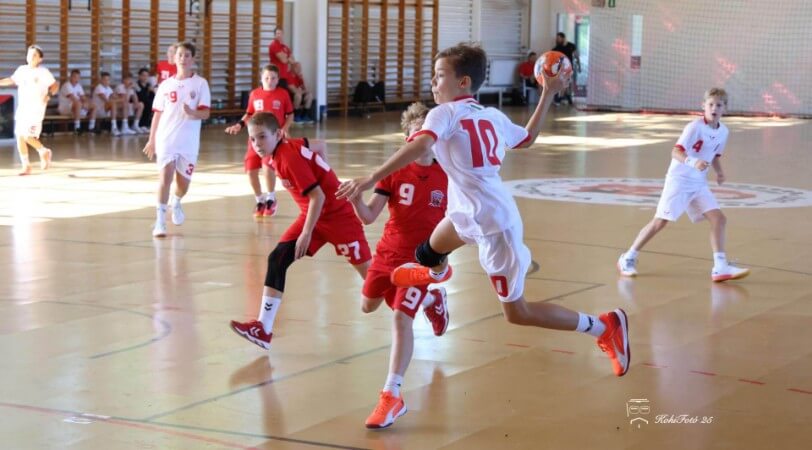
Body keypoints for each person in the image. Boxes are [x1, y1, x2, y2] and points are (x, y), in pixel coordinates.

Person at [336, 43, 630, 385]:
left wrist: (371, 177)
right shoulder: (491, 115)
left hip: (494, 224)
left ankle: (603, 326)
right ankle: (436, 286)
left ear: (463, 82)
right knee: (427, 252)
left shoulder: (443, 113)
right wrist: (548, 93)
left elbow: (421, 144)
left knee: (517, 313)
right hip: (464, 214)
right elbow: (527, 138)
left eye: (440, 75)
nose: (433, 82)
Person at [229, 112, 371, 350]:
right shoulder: (285, 147)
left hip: (338, 218)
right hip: (314, 215)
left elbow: (318, 196)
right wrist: (326, 173)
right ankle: (263, 328)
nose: (257, 144)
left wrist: (306, 232)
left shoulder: (287, 158)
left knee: (372, 280)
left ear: (278, 134)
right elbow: (320, 145)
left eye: (262, 137)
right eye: (252, 139)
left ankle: (427, 300)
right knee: (277, 259)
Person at [349, 102, 450, 429]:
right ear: (407, 139)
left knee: (401, 319)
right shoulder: (393, 171)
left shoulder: (448, 174)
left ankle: (392, 394)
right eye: (415, 134)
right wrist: (355, 198)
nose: (421, 139)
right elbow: (368, 217)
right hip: (387, 256)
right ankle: (433, 300)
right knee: (367, 306)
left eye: (427, 133)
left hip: (421, 260)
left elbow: (456, 224)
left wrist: (442, 256)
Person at [617, 88, 750, 282]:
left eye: (718, 105)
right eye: (710, 104)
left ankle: (720, 267)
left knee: (719, 219)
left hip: (699, 183)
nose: (714, 108)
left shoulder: (723, 131)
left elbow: (714, 155)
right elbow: (675, 152)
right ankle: (628, 257)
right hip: (679, 180)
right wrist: (693, 162)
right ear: (703, 106)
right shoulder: (694, 127)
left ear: (725, 108)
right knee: (661, 221)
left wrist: (719, 172)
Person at [142, 42, 211, 238]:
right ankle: (160, 221)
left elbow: (205, 113)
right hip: (166, 139)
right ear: (174, 58)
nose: (183, 58)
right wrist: (152, 140)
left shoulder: (200, 83)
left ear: (193, 59)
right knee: (165, 177)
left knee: (183, 185)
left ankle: (177, 200)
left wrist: (192, 112)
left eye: (187, 55)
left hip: (188, 142)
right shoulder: (165, 85)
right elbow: (157, 114)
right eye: (180, 55)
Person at [224, 64, 293, 220]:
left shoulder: (282, 94)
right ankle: (259, 200)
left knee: (267, 166)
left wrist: (285, 128)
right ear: (261, 78)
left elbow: (290, 114)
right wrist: (239, 125)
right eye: (267, 77)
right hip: (255, 138)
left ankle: (271, 198)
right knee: (250, 169)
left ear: (278, 79)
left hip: (272, 138)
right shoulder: (255, 94)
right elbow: (249, 113)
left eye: (273, 78)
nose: (270, 80)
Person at [0, 45, 58, 175]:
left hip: (36, 110)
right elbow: (11, 80)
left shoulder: (43, 72)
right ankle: (26, 166)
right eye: (29, 54)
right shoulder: (22, 70)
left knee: (27, 136)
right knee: (20, 136)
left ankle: (43, 151)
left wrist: (49, 95)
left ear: (40, 59)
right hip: (23, 109)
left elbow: (55, 85)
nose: (31, 56)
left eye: (34, 55)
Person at [58, 69, 97, 134]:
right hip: (65, 107)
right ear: (70, 77)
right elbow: (73, 98)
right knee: (78, 103)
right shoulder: (66, 85)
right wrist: (83, 104)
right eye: (75, 77)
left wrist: (86, 103)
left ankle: (91, 127)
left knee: (93, 106)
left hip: (76, 107)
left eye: (78, 77)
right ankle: (77, 127)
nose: (76, 79)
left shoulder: (78, 86)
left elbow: (83, 97)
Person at [551, 32, 580, 105]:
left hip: (569, 68)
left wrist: (579, 66)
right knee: (562, 83)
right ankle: (564, 97)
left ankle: (564, 98)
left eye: (558, 38)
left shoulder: (571, 46)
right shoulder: (556, 48)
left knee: (567, 83)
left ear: (563, 38)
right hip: (560, 69)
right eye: (557, 38)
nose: (557, 40)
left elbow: (576, 56)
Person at [92, 71, 124, 136]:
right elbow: (106, 101)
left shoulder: (108, 88)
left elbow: (115, 97)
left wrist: (120, 99)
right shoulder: (99, 87)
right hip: (98, 110)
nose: (107, 81)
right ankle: (114, 127)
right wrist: (119, 100)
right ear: (101, 80)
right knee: (113, 103)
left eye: (108, 80)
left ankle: (125, 126)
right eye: (105, 80)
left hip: (105, 110)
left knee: (122, 104)